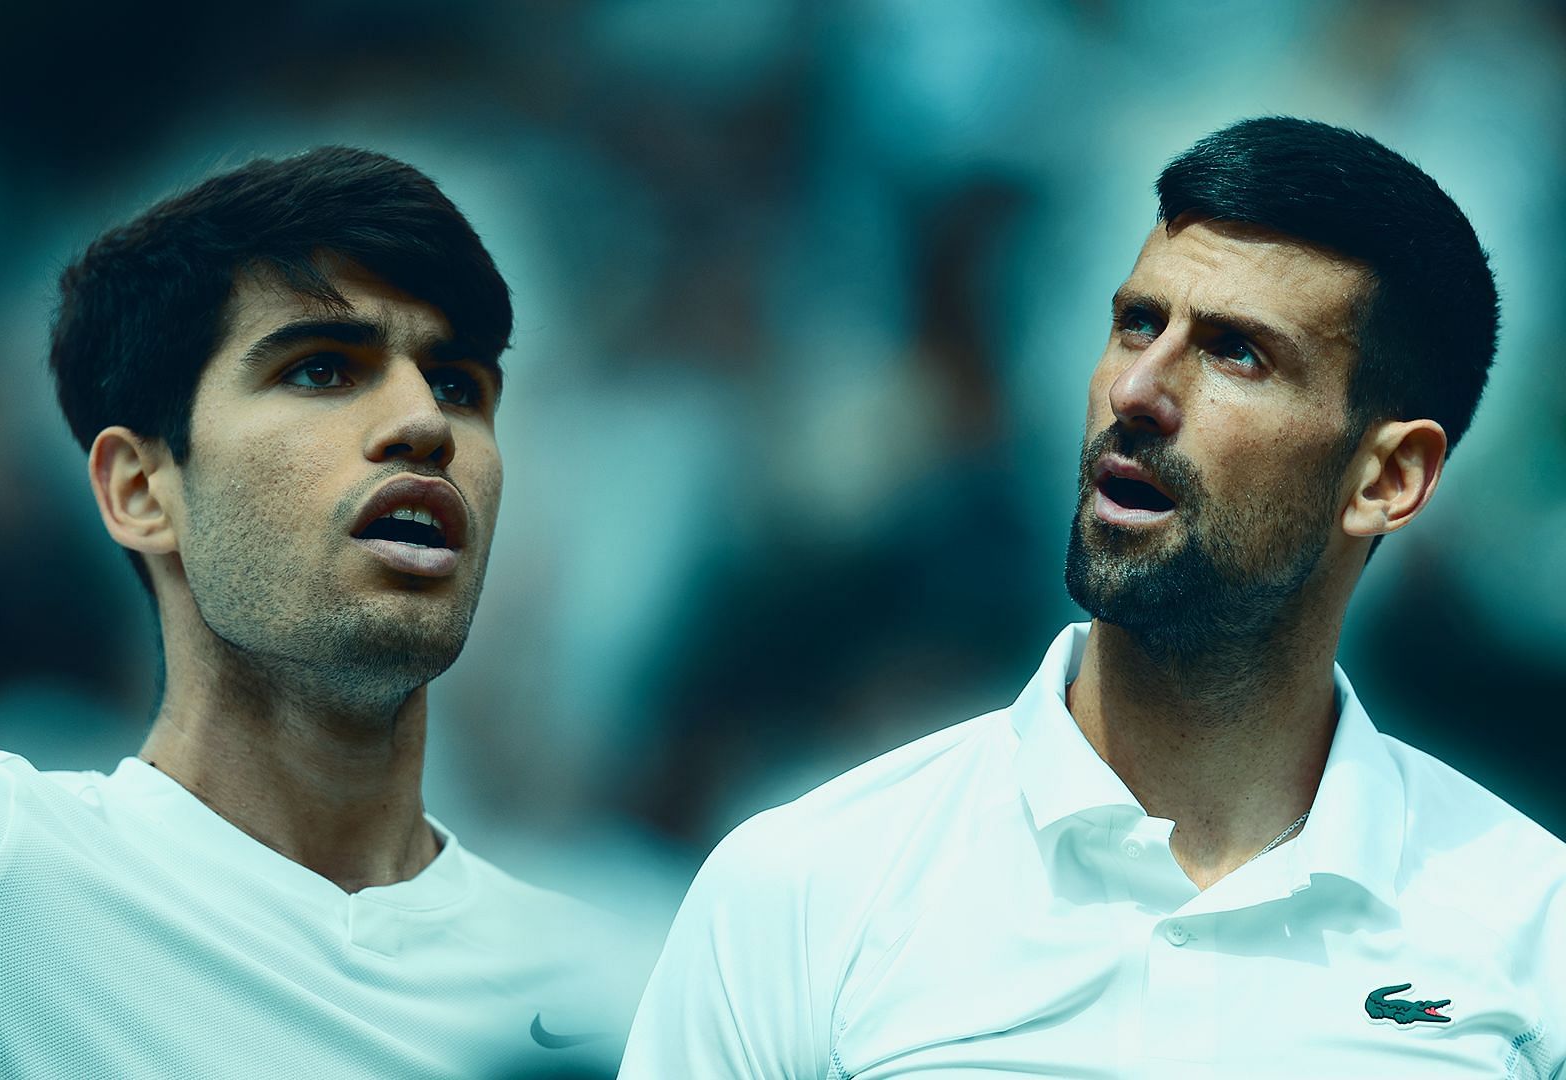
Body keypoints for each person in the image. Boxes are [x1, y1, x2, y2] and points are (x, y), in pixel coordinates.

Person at [0, 43, 631, 1079]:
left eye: (461, 384)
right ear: (139, 491)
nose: (425, 423)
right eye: (323, 369)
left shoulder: (632, 978)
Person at [620, 117, 1566, 1077]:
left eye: (1237, 352)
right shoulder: (805, 886)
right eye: (1138, 323)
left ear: (1388, 478)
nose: (1140, 389)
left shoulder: (1536, 933)